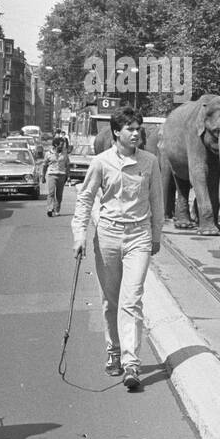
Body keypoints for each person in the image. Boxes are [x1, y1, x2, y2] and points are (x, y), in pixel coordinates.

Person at [71, 107, 164, 390]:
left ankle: (131, 362)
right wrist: (79, 235)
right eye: (130, 129)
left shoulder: (150, 162)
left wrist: (156, 234)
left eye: (138, 128)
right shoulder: (101, 162)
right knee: (111, 301)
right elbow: (85, 200)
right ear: (116, 132)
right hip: (108, 236)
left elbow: (157, 201)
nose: (135, 133)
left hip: (139, 237)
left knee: (132, 299)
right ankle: (113, 350)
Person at [42, 134, 70, 216]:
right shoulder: (48, 154)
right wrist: (43, 176)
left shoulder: (65, 154)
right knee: (51, 193)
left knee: (59, 194)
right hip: (52, 175)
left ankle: (57, 209)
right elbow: (44, 165)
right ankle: (50, 209)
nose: (62, 146)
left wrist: (68, 177)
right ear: (55, 145)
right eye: (61, 145)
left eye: (63, 145)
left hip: (62, 175)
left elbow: (67, 165)